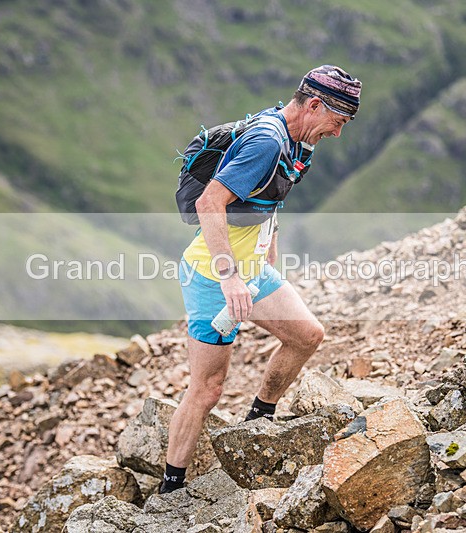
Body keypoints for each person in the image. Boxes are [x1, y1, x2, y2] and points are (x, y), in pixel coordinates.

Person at [160, 65, 362, 494]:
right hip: (212, 275)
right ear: (314, 105)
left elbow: (269, 197)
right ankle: (170, 487)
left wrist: (269, 255)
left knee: (307, 335)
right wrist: (229, 277)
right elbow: (209, 202)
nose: (338, 133)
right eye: (338, 121)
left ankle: (258, 421)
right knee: (207, 389)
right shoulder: (267, 141)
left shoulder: (296, 140)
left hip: (252, 270)